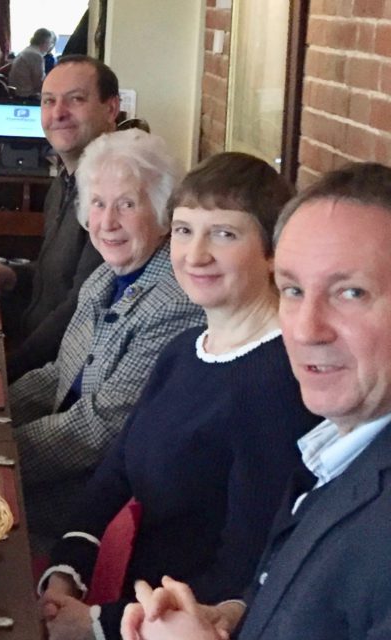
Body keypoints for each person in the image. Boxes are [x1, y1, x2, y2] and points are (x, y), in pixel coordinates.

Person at [37, 153, 317, 640]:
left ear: (273, 252)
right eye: (185, 231)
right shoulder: (185, 350)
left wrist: (96, 624)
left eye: (224, 234)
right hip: (126, 603)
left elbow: (242, 570)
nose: (195, 254)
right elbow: (115, 473)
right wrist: (66, 571)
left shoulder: (278, 383)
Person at [120, 163, 391, 640]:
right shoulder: (335, 448)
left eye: (350, 293)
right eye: (293, 290)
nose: (307, 329)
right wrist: (230, 616)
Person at [9, 129, 203, 553]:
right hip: (55, 473)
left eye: (127, 205)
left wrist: (2, 453)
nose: (107, 222)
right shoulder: (104, 278)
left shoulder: (176, 303)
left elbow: (100, 429)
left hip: (87, 505)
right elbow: (60, 374)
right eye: (98, 203)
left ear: (162, 213)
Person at [0, 56, 119, 382]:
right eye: (48, 101)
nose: (58, 113)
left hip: (61, 376)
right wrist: (11, 276)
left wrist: (8, 373)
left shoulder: (111, 196)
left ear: (111, 109)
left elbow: (81, 307)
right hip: (31, 349)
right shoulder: (63, 182)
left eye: (76, 100)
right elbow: (56, 278)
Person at [10, 28, 56, 98]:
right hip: (27, 95)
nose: (50, 46)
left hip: (17, 92)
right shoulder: (36, 56)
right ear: (45, 42)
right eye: (50, 43)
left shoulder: (27, 51)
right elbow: (39, 83)